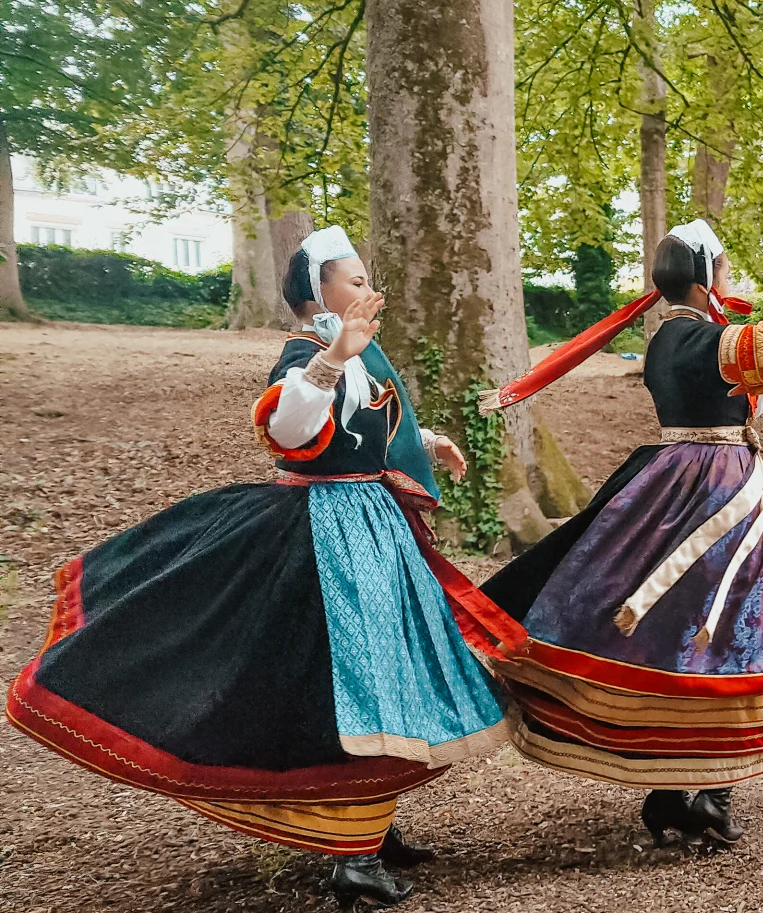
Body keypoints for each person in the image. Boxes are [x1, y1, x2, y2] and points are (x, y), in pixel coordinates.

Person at [6, 227, 508, 908]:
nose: (368, 290)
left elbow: (359, 433)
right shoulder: (306, 354)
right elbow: (290, 430)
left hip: (372, 525)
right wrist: (331, 357)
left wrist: (426, 441)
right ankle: (352, 855)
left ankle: (370, 828)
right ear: (316, 292)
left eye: (365, 280)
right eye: (354, 280)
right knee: (348, 682)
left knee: (389, 675)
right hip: (323, 535)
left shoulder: (356, 356)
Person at [473, 221, 763, 849]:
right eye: (725, 271)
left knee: (674, 631)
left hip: (668, 482)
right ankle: (706, 790)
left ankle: (677, 789)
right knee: (736, 628)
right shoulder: (709, 340)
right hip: (721, 491)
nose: (729, 283)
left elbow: (736, 395)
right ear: (706, 278)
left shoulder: (663, 342)